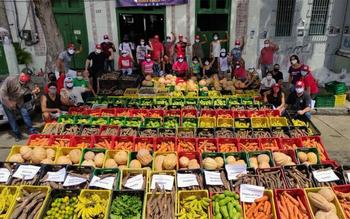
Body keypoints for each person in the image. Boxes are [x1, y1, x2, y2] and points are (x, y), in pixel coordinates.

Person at [0, 70, 40, 141]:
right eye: (24, 75)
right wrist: (9, 103)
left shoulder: (28, 81)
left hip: (19, 100)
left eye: (28, 77)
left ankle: (32, 130)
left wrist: (36, 90)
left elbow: (33, 88)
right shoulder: (10, 79)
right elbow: (2, 93)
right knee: (11, 118)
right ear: (21, 74)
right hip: (7, 101)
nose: (25, 78)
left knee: (25, 114)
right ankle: (17, 135)